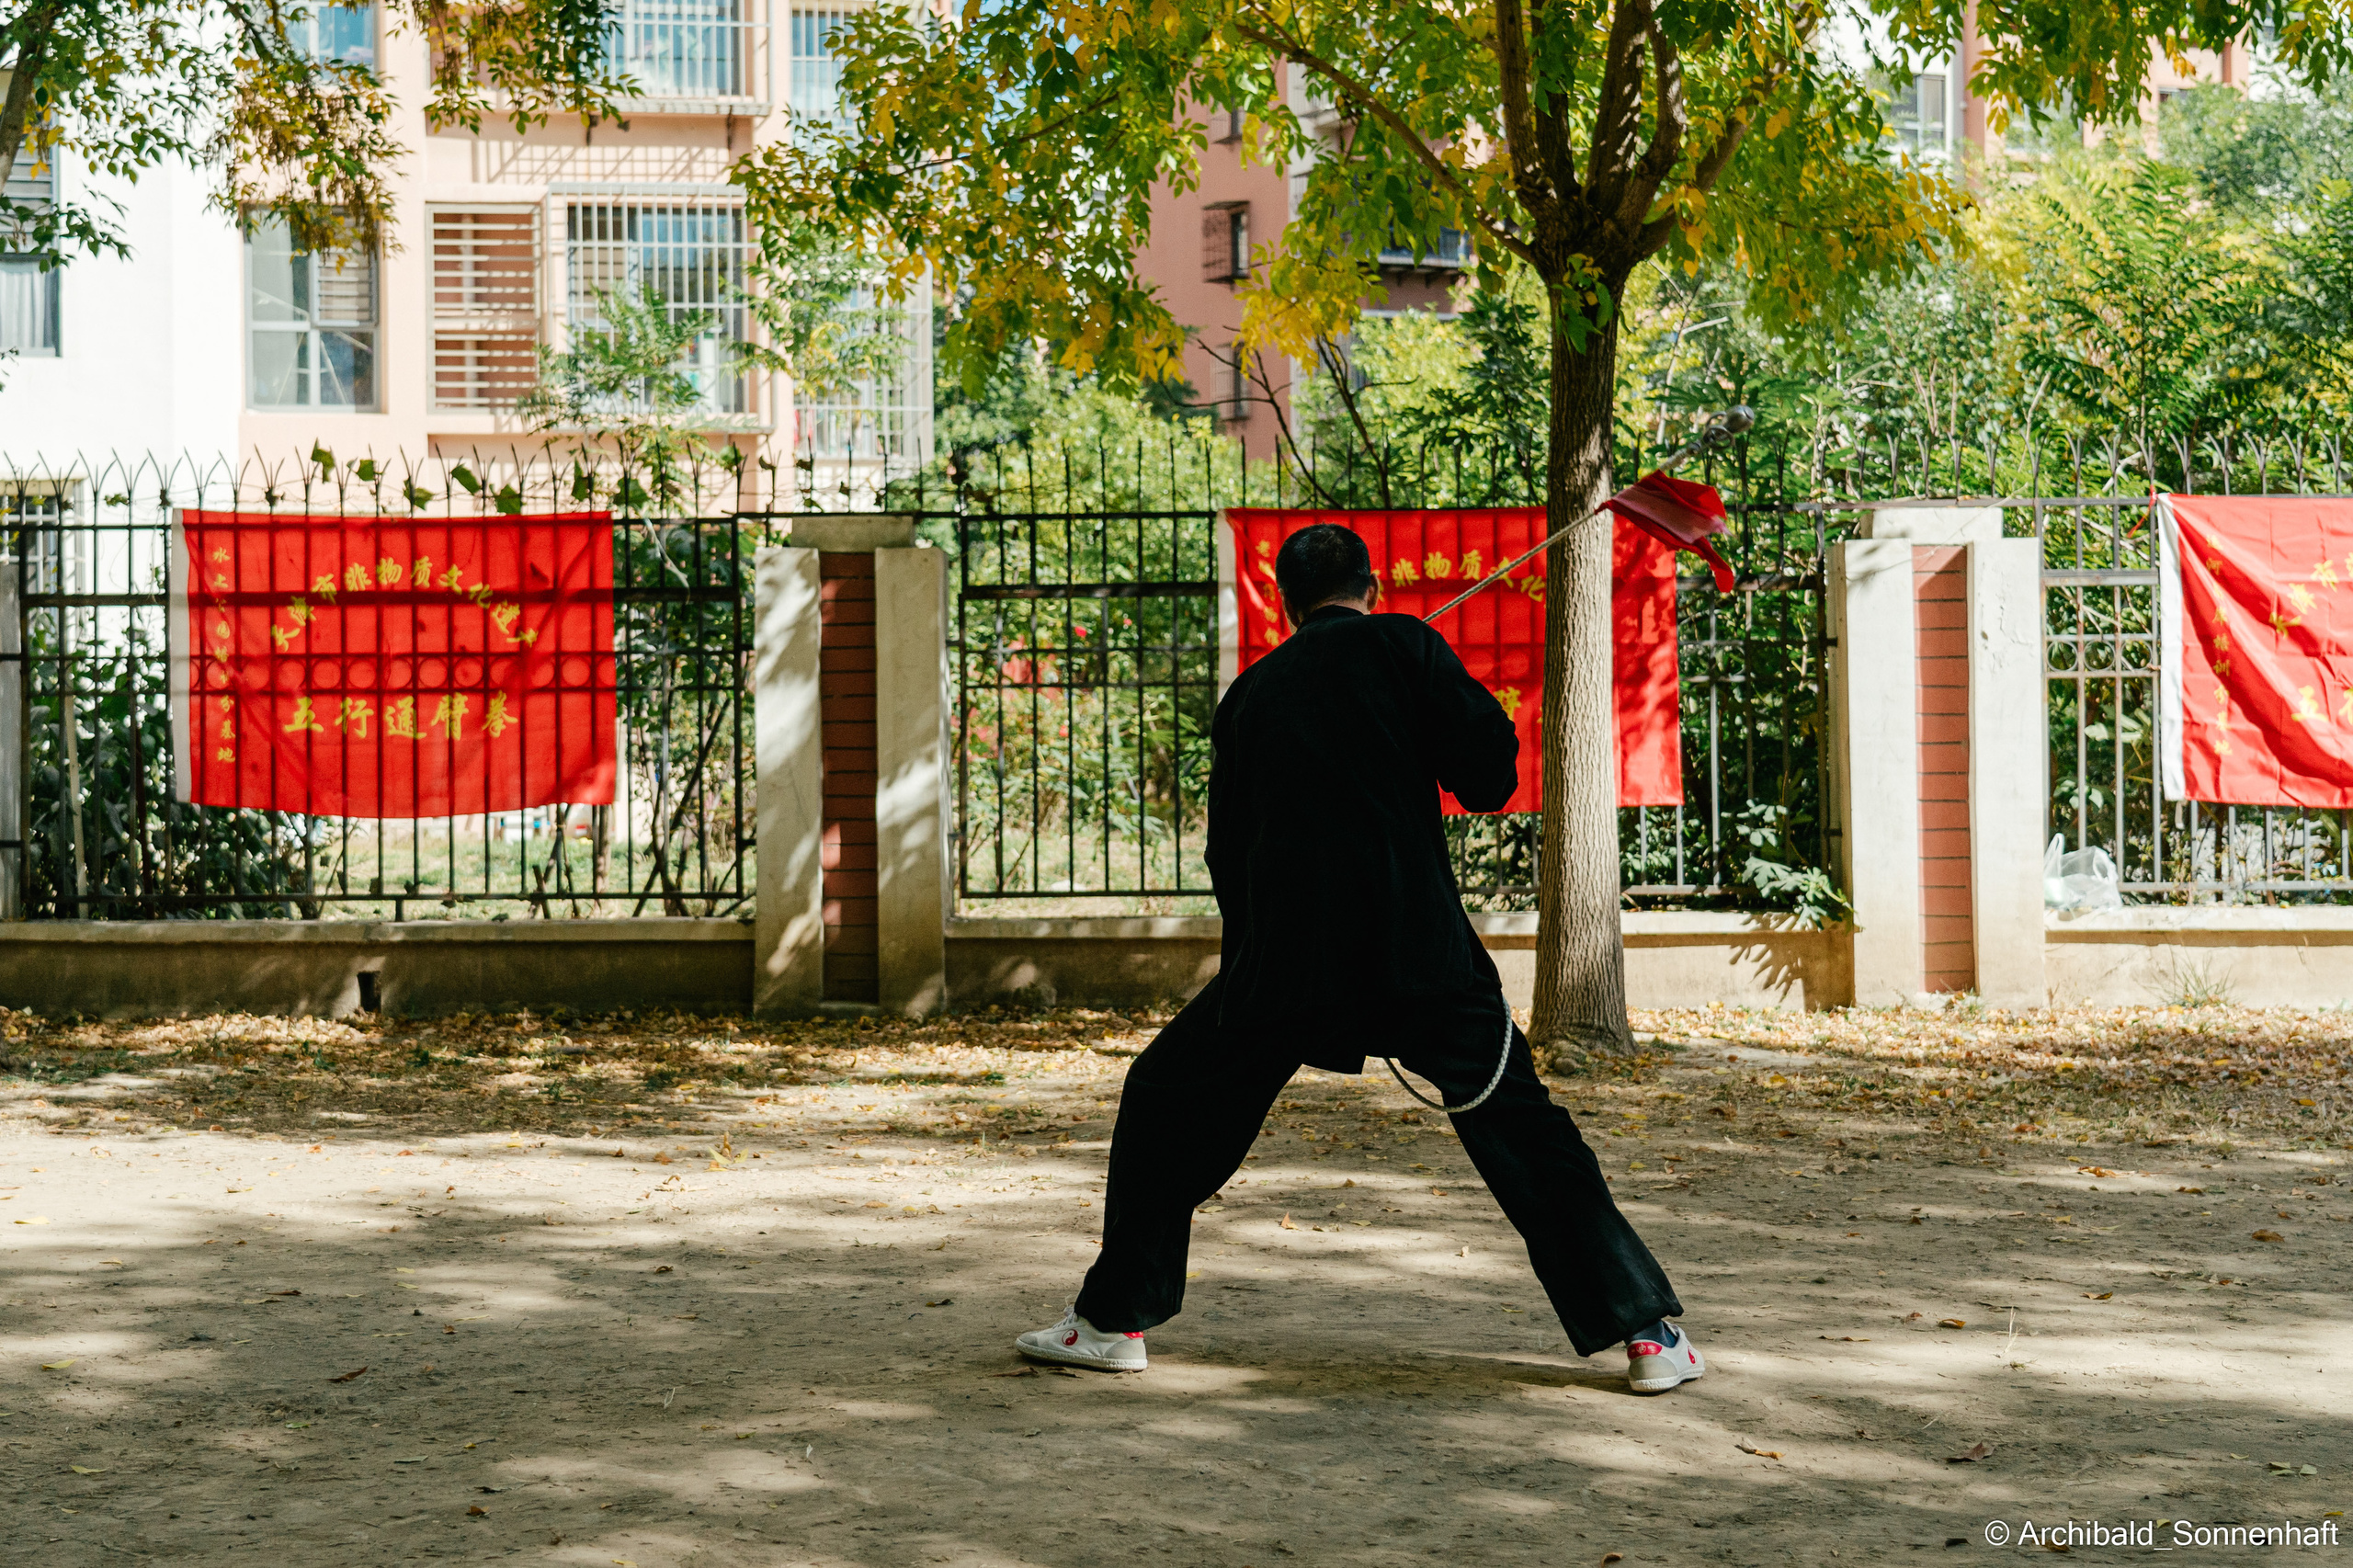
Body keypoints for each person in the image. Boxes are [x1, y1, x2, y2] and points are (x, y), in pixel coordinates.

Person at [1014, 523, 1701, 1394]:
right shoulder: (1407, 644)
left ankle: (1112, 1322)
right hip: (1419, 959)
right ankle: (1648, 1337)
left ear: (1289, 604)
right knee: (1523, 1132)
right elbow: (1489, 776)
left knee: (1163, 1097)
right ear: (1370, 586)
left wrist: (1252, 974)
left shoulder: (1251, 695)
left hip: (1285, 971)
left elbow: (1229, 857)